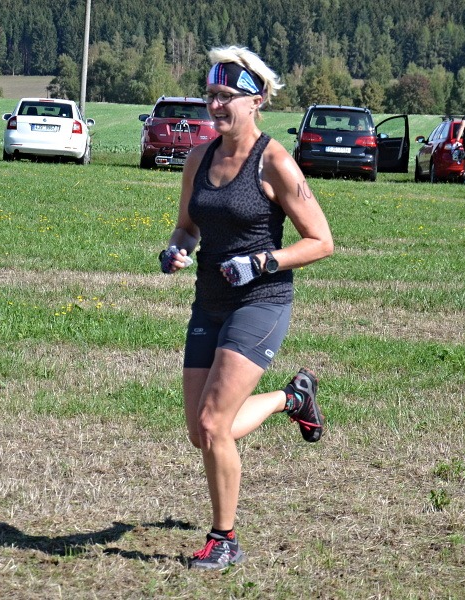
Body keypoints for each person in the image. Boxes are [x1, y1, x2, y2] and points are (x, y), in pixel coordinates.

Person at [158, 45, 334, 570]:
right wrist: (177, 249)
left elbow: (321, 241)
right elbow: (187, 226)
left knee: (214, 424)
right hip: (209, 303)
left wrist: (262, 261)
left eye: (224, 96)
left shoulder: (274, 161)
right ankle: (291, 398)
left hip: (261, 302)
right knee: (201, 432)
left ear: (255, 101)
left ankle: (224, 539)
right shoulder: (199, 158)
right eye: (210, 95)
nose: (214, 105)